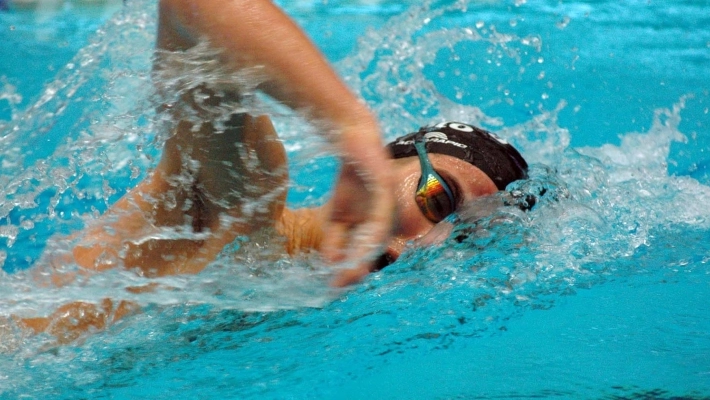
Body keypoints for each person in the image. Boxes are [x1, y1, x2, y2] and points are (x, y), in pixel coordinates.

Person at [17, 0, 527, 342]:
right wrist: (349, 125)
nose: (433, 242)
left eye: (466, 244)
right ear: (389, 163)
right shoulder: (242, 199)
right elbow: (188, 8)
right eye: (439, 200)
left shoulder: (301, 307)